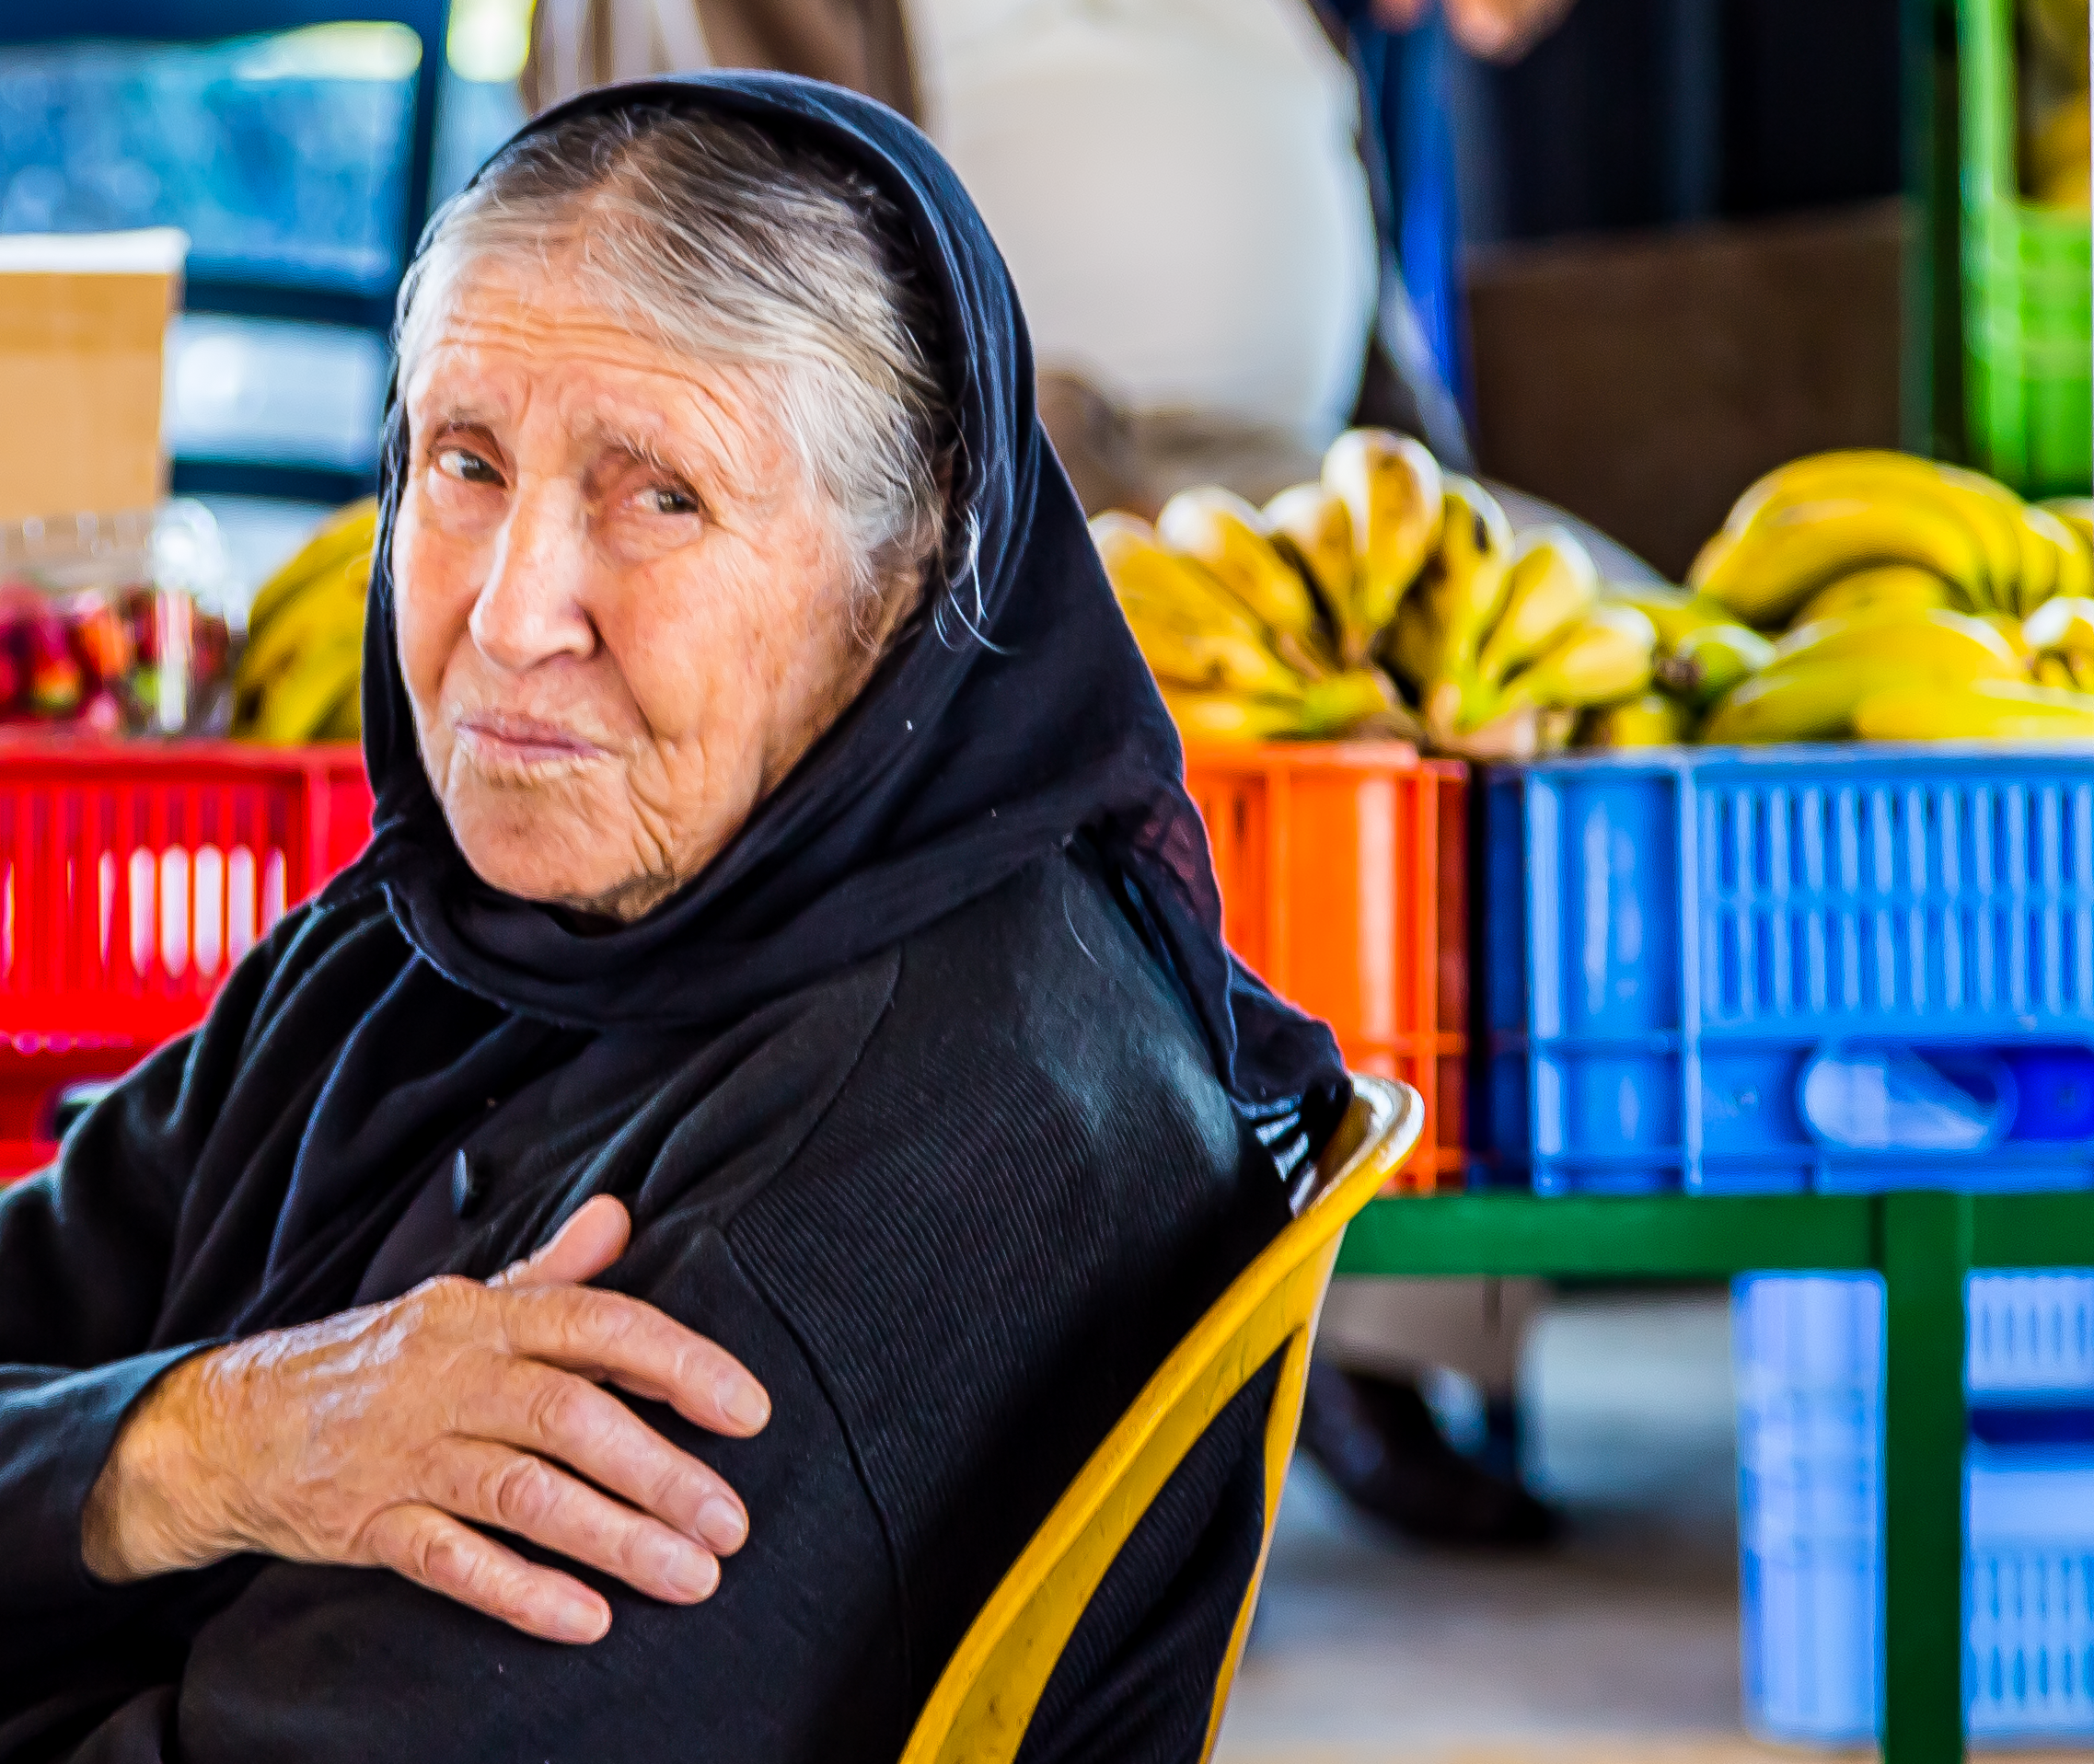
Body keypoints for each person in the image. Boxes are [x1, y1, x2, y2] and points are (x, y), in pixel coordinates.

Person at [0, 73, 1363, 1762]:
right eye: (461, 464)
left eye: (659, 494)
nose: (512, 610)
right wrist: (207, 1444)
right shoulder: (414, 961)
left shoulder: (929, 1142)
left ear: (907, 572)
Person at [526, 0, 1591, 1548]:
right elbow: (710, 275)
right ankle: (1119, 1367)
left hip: (1298, 473)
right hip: (1013, 473)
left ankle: (1368, 1321)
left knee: (1544, 670)